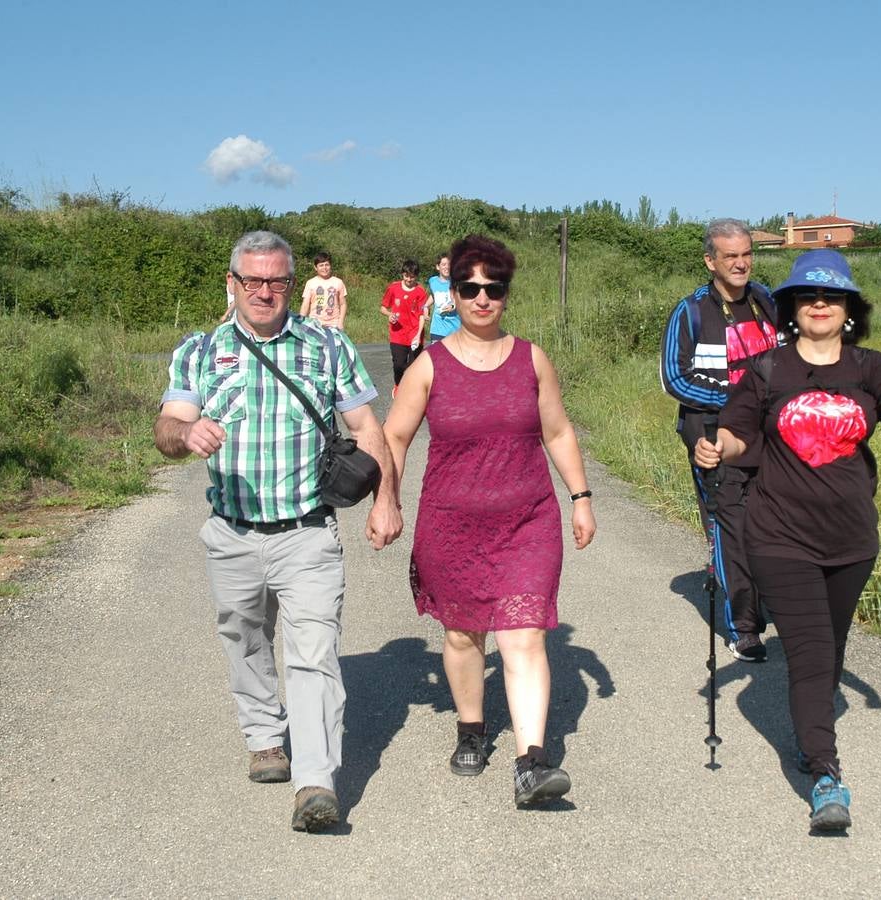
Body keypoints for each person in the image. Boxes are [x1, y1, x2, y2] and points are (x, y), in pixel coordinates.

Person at [153, 230, 403, 834]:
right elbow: (167, 425)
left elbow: (367, 425)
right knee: (244, 635)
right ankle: (265, 735)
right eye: (252, 280)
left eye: (277, 280)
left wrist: (387, 500)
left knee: (314, 655)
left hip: (307, 532)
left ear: (294, 284)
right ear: (231, 284)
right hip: (232, 530)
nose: (265, 292)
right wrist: (185, 436)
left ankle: (315, 782)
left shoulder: (326, 346)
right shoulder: (199, 352)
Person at [694, 249, 881, 832]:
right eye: (808, 295)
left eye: (831, 296)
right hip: (780, 537)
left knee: (830, 651)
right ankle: (825, 774)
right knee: (811, 657)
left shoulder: (868, 365)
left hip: (853, 541)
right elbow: (735, 433)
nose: (819, 304)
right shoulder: (765, 370)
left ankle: (812, 731)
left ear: (848, 310)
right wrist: (718, 449)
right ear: (790, 306)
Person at [383, 234, 596, 808]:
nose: (482, 299)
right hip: (450, 523)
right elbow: (395, 437)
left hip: (528, 520)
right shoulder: (429, 365)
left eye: (493, 288)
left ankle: (532, 760)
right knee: (461, 632)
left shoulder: (532, 358)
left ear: (505, 295)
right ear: (452, 294)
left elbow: (558, 431)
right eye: (470, 288)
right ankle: (471, 728)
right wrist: (387, 500)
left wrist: (580, 495)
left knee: (523, 636)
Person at [659, 219, 777, 662]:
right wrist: (739, 398)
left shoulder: (768, 301)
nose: (741, 263)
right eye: (731, 256)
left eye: (746, 253)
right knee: (732, 528)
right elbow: (674, 377)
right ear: (711, 261)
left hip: (769, 437)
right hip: (712, 438)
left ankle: (781, 601)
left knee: (776, 524)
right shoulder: (690, 311)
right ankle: (743, 626)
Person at [380, 259, 431, 392]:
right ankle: (398, 385)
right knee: (398, 365)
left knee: (413, 366)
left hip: (415, 334)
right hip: (397, 334)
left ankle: (409, 390)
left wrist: (418, 335)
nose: (409, 279)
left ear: (416, 276)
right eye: (406, 276)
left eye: (412, 276)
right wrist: (389, 314)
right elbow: (383, 308)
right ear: (402, 274)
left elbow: (421, 315)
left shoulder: (420, 291)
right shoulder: (393, 287)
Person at [300, 252, 348, 329]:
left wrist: (341, 322)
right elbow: (306, 304)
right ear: (315, 267)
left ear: (330, 266)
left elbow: (343, 304)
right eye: (321, 265)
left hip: (334, 323)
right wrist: (301, 321)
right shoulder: (310, 283)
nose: (324, 268)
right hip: (314, 323)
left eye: (327, 265)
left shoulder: (338, 282)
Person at [425, 253, 460, 343]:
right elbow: (434, 295)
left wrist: (453, 306)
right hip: (437, 329)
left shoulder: (457, 282)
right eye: (443, 265)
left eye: (449, 265)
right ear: (438, 267)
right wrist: (426, 306)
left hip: (455, 328)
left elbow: (460, 299)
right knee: (437, 357)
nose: (447, 267)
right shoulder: (432, 281)